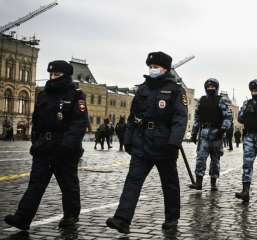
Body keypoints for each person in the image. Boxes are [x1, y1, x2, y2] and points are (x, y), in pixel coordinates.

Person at [106, 51, 187, 233]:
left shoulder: (175, 90)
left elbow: (180, 118)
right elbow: (133, 116)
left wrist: (174, 142)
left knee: (170, 184)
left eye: (155, 67)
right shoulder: (143, 89)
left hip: (164, 144)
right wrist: (128, 139)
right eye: (150, 67)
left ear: (165, 68)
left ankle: (172, 219)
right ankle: (122, 219)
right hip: (142, 143)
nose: (152, 70)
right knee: (132, 180)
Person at [4, 60, 88, 230]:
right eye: (51, 74)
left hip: (65, 148)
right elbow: (36, 120)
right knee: (36, 184)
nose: (52, 77)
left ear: (66, 75)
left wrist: (68, 145)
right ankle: (22, 218)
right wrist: (36, 141)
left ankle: (70, 216)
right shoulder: (44, 94)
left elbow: (79, 123)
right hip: (43, 147)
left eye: (57, 74)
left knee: (68, 184)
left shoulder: (76, 95)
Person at [189, 78, 232, 191]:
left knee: (215, 160)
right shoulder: (202, 100)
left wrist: (222, 130)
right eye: (208, 87)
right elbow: (197, 118)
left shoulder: (221, 100)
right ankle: (198, 183)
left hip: (216, 133)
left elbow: (228, 117)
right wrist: (194, 133)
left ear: (216, 88)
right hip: (204, 133)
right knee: (200, 159)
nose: (210, 89)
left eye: (213, 87)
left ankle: (213, 182)